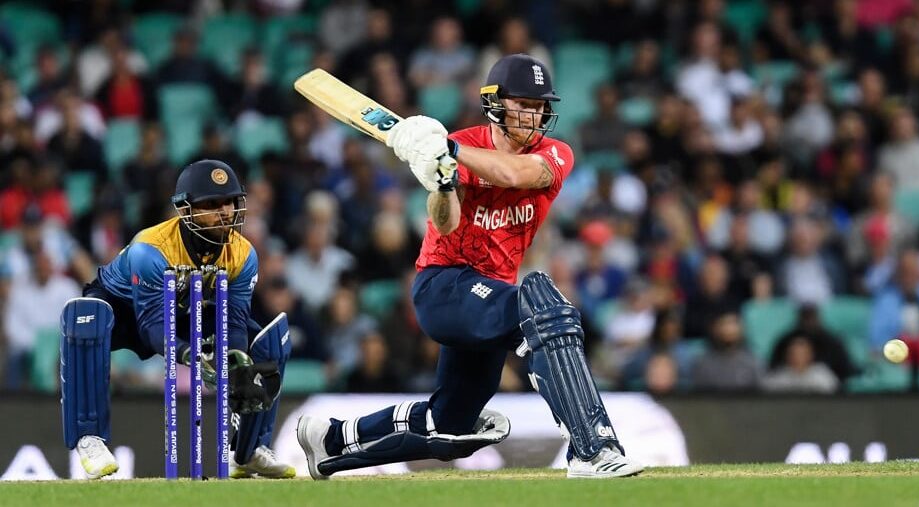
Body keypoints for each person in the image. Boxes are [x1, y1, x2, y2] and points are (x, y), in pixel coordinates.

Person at [296, 54, 643, 479]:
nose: (532, 115)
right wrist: (441, 181)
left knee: (449, 425)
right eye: (523, 104)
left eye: (539, 106)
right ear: (496, 104)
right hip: (445, 286)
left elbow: (516, 175)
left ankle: (330, 441)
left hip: (488, 297)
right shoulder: (455, 144)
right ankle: (592, 449)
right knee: (542, 302)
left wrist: (453, 151)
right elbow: (445, 221)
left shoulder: (554, 153)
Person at [59, 160, 295, 479]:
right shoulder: (151, 249)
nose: (225, 211)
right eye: (211, 204)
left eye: (229, 202)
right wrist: (193, 357)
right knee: (87, 318)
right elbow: (152, 326)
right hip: (127, 310)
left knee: (268, 338)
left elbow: (235, 321)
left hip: (185, 308)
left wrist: (235, 361)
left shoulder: (243, 254)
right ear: (186, 210)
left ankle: (249, 449)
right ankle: (90, 438)